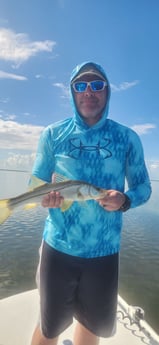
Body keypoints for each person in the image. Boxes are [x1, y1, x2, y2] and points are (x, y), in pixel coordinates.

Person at [30, 61, 151, 345]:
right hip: (58, 249)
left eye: (97, 85)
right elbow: (36, 181)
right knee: (49, 328)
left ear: (107, 92)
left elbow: (143, 187)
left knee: (91, 327)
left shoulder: (127, 138)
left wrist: (126, 199)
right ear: (72, 92)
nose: (89, 92)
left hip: (104, 253)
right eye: (80, 85)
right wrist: (44, 198)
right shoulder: (53, 134)